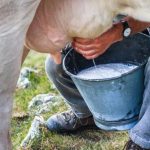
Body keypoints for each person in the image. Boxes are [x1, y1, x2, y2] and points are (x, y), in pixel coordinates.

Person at [45, 18, 150, 150]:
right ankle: (88, 114)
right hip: (116, 23)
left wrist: (121, 31)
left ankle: (142, 140)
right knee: (56, 65)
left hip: (138, 25)